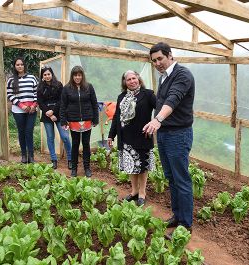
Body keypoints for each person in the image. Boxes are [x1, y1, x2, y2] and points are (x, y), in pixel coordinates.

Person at [143, 42, 195, 231]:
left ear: (170, 55)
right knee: (170, 177)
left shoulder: (182, 75)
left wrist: (157, 119)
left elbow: (173, 98)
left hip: (178, 134)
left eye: (160, 58)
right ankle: (177, 215)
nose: (157, 63)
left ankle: (185, 224)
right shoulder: (163, 78)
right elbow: (161, 101)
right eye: (154, 60)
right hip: (165, 133)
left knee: (181, 178)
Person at [108, 70, 156, 206]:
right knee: (131, 166)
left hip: (142, 136)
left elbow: (160, 109)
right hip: (126, 138)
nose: (132, 81)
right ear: (125, 82)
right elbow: (117, 117)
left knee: (142, 166)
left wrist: (154, 123)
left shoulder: (148, 94)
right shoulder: (121, 97)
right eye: (128, 79)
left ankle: (142, 192)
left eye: (133, 78)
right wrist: (111, 135)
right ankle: (134, 191)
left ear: (138, 79)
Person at [60, 66, 99, 177]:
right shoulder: (67, 88)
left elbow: (94, 103)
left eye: (79, 75)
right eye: (75, 75)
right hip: (73, 121)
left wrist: (95, 118)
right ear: (72, 76)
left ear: (82, 76)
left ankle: (87, 168)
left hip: (87, 120)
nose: (77, 77)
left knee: (86, 144)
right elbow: (63, 106)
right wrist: (63, 121)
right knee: (75, 144)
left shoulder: (89, 87)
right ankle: (74, 169)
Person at [37, 66, 72, 170]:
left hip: (59, 114)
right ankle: (53, 159)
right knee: (50, 138)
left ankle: (70, 159)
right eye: (45, 75)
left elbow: (61, 100)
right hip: (47, 115)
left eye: (49, 74)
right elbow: (40, 102)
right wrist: (49, 113)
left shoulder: (59, 85)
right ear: (42, 76)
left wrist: (54, 112)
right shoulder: (40, 87)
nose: (47, 76)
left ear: (52, 74)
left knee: (65, 136)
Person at [7, 57, 38, 164]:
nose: (20, 66)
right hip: (18, 110)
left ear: (24, 66)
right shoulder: (11, 79)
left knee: (29, 132)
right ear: (15, 66)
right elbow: (9, 95)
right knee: (21, 132)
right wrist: (21, 105)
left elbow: (36, 92)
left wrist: (34, 105)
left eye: (21, 64)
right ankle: (24, 156)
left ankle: (31, 156)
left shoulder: (32, 78)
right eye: (17, 65)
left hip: (32, 110)